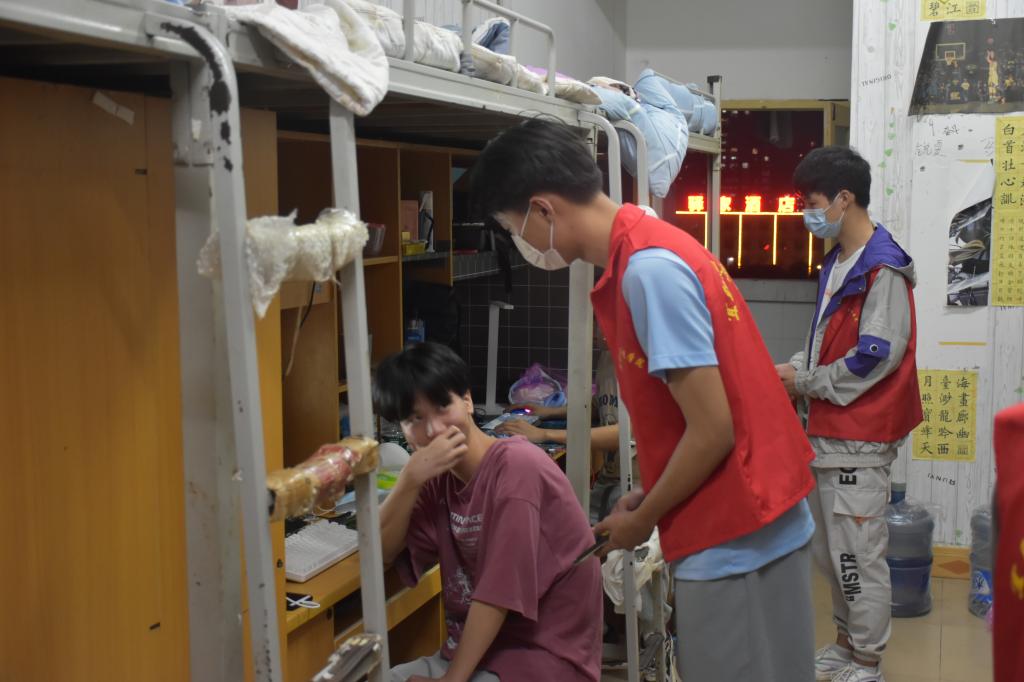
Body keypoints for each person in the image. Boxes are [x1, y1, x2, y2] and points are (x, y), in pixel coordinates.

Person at [471, 117, 818, 682]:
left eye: (513, 228)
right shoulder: (654, 244)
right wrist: (652, 493)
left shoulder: (648, 271)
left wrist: (647, 518)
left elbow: (713, 429)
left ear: (542, 209)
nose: (522, 242)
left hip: (736, 528)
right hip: (752, 512)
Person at [777, 146, 923, 682]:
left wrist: (805, 382)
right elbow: (827, 342)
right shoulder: (838, 263)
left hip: (859, 441)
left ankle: (867, 661)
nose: (806, 213)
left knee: (858, 557)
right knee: (834, 555)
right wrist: (797, 367)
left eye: (812, 203)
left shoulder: (884, 269)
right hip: (827, 435)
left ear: (844, 199)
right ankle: (845, 644)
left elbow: (874, 358)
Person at [374, 342, 602, 682]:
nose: (434, 430)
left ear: (467, 400)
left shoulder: (517, 467)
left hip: (542, 657)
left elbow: (498, 596)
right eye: (415, 419)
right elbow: (380, 553)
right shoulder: (436, 479)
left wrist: (451, 681)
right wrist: (409, 478)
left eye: (442, 406)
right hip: (475, 652)